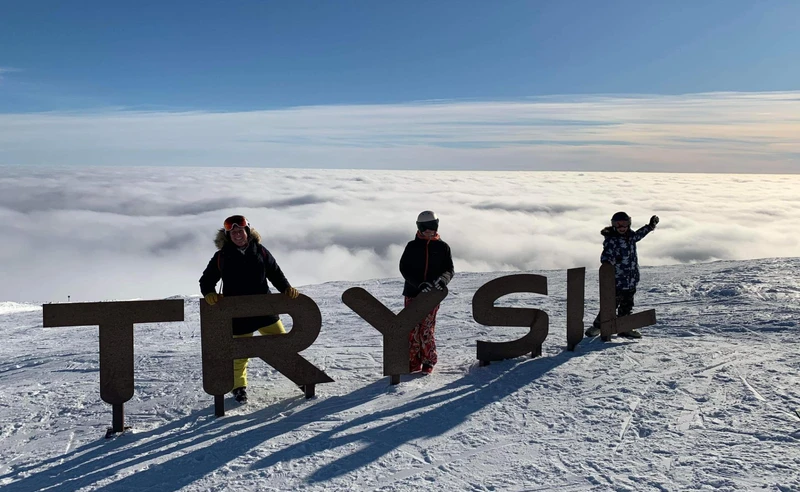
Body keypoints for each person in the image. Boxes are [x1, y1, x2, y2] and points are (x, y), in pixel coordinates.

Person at [199, 214, 299, 403]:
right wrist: (209, 293)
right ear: (228, 235)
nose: (237, 234)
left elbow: (274, 272)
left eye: (240, 230)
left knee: (284, 345)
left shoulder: (260, 251)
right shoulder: (222, 256)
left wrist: (285, 288)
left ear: (247, 231)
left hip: (264, 309)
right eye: (233, 232)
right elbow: (206, 280)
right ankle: (238, 387)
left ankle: (301, 377)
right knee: (239, 355)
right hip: (237, 313)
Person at [585, 211, 659, 339]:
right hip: (617, 281)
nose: (622, 227)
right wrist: (611, 261)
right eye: (618, 224)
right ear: (613, 225)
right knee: (610, 306)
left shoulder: (631, 237)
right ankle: (598, 326)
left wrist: (651, 226)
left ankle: (624, 328)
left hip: (631, 280)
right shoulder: (612, 240)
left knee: (627, 305)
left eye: (624, 224)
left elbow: (640, 234)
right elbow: (605, 257)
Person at [399, 211, 455, 374]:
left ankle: (428, 361)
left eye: (433, 227)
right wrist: (418, 284)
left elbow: (449, 269)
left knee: (426, 327)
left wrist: (444, 279)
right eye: (427, 228)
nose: (430, 231)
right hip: (412, 293)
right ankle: (412, 361)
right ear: (420, 228)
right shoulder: (412, 246)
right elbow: (404, 268)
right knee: (412, 328)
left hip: (432, 295)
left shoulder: (443, 247)